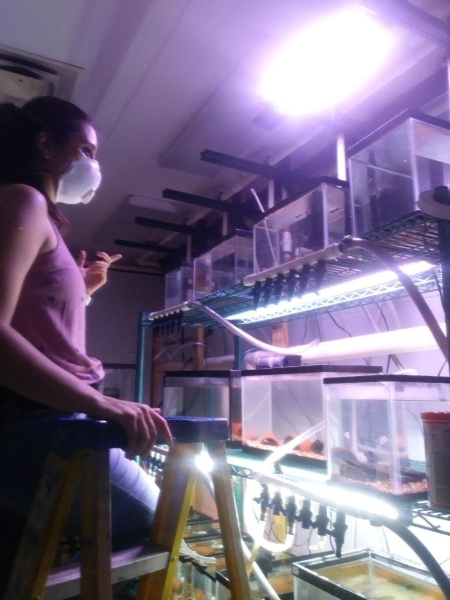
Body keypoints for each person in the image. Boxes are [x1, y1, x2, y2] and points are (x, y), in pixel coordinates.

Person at [0, 96, 172, 592]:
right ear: (46, 146)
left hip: (47, 420)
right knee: (159, 519)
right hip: (34, 425)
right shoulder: (23, 201)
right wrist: (101, 403)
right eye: (87, 151)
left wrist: (83, 291)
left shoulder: (42, 218)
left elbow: (37, 322)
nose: (94, 166)